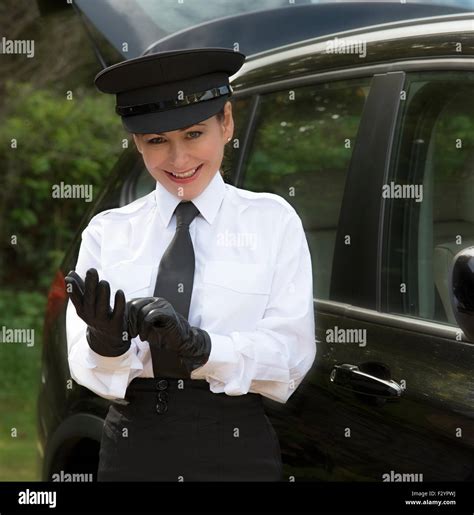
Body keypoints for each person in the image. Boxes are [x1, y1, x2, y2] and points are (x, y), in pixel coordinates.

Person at [65, 47, 316, 482]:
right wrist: (107, 344)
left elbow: (290, 358)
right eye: (157, 141)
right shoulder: (108, 233)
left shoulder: (272, 222)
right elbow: (84, 367)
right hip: (133, 448)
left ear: (227, 123)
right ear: (138, 143)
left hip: (237, 446)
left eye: (194, 134)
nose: (179, 161)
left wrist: (202, 347)